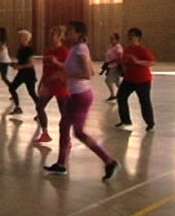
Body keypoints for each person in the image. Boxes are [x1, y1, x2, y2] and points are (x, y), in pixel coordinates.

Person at [44, 22, 119, 180]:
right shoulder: (75, 48)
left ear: (78, 33)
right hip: (75, 95)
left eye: (70, 31)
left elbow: (87, 73)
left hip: (81, 95)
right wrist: (60, 69)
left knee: (78, 132)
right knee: (64, 126)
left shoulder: (80, 48)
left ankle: (109, 161)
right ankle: (61, 164)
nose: (68, 34)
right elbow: (82, 69)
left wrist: (65, 74)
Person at [34, 26, 70, 143]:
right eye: (50, 35)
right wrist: (41, 83)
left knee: (64, 113)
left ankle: (67, 138)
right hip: (49, 84)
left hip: (61, 86)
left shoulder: (65, 51)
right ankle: (45, 133)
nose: (51, 38)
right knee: (40, 107)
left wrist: (57, 62)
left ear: (60, 37)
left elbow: (69, 68)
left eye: (53, 35)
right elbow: (45, 69)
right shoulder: (48, 51)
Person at [116, 28, 156, 131]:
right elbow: (124, 62)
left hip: (143, 81)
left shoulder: (143, 50)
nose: (129, 38)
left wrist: (138, 61)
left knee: (144, 102)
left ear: (138, 38)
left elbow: (151, 62)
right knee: (121, 97)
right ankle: (125, 120)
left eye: (132, 35)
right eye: (129, 35)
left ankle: (150, 123)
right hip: (129, 79)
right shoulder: (127, 49)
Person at [8, 29, 39, 115]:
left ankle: (40, 111)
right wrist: (15, 64)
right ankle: (17, 107)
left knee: (32, 93)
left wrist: (20, 66)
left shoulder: (29, 49)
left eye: (21, 36)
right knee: (12, 88)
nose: (19, 38)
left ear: (26, 38)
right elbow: (22, 61)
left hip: (29, 74)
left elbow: (31, 63)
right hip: (22, 73)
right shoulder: (21, 49)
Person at [103, 33, 123, 101]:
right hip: (110, 66)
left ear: (117, 40)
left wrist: (111, 62)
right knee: (117, 82)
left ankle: (113, 95)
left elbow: (120, 57)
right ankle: (122, 93)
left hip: (115, 66)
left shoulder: (118, 47)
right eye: (110, 38)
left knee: (108, 80)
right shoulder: (111, 46)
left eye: (113, 38)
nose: (111, 40)